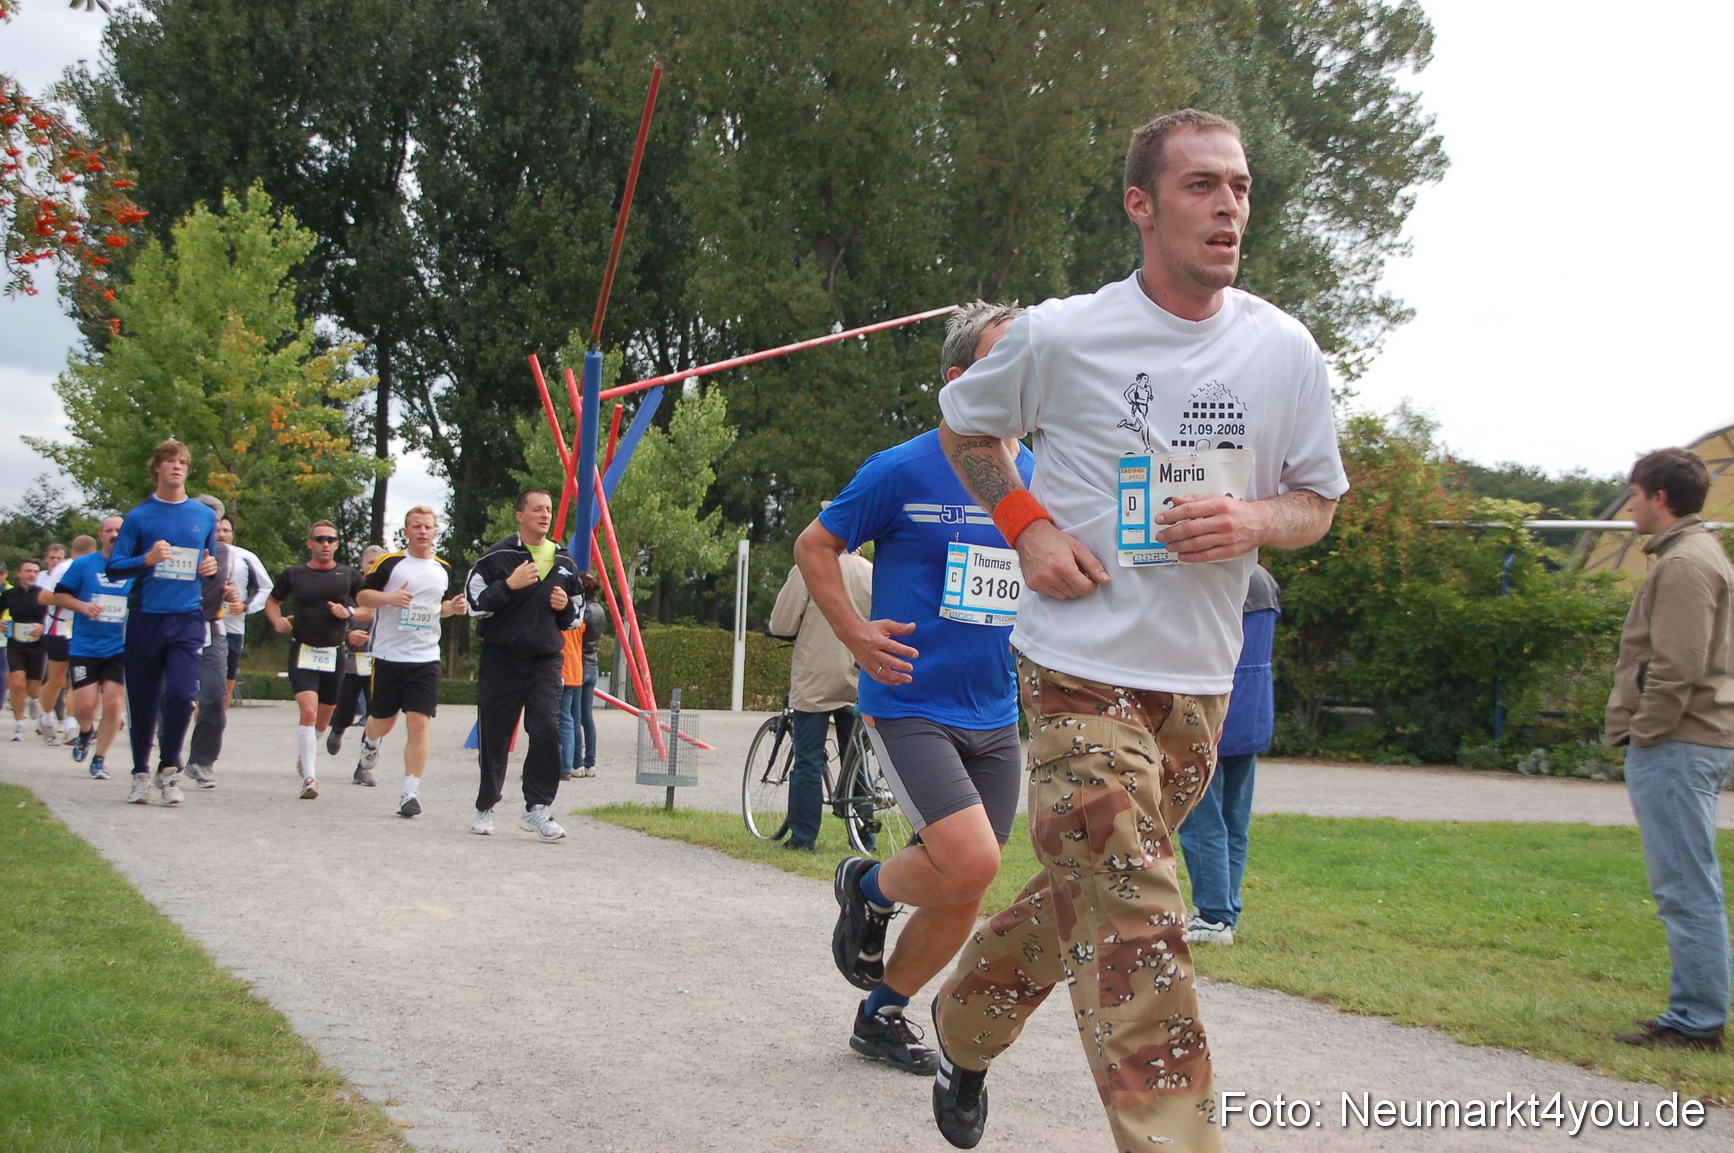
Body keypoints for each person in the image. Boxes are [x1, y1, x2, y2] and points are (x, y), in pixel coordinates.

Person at [930, 108, 1347, 1151]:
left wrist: (1253, 518)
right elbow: (966, 426)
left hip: (1197, 685)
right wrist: (1024, 528)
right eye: (1203, 185)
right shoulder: (1063, 332)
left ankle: (962, 1019)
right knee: (1140, 917)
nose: (1229, 206)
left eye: (1241, 187)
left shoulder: (1283, 350)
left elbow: (1317, 502)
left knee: (1093, 891)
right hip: (1076, 667)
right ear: (1141, 204)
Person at [805, 302, 1031, 1076]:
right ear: (960, 379)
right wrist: (856, 634)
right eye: (1006, 359)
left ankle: (882, 1012)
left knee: (965, 883)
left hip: (995, 709)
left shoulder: (1034, 474)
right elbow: (815, 545)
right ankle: (866, 884)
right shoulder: (901, 468)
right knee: (970, 861)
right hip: (909, 701)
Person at [1606, 448, 1732, 1053]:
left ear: (1659, 497)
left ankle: (1695, 1022)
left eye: (1635, 492)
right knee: (1688, 880)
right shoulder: (1693, 554)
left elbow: (1678, 664)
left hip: (1679, 742)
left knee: (1685, 885)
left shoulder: (1685, 563)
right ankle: (1696, 1012)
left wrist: (1646, 731)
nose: (1630, 503)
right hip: (1685, 740)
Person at [464, 489, 583, 840]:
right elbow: (474, 604)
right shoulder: (497, 557)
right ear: (520, 515)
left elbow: (576, 614)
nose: (544, 515)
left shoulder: (564, 561)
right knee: (496, 737)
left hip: (545, 662)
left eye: (548, 510)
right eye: (536, 510)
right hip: (501, 659)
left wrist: (564, 607)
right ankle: (486, 806)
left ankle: (537, 808)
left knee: (547, 729)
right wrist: (508, 585)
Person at [108, 439, 222, 805]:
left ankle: (169, 769)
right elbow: (114, 567)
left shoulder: (204, 516)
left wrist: (210, 567)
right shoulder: (139, 517)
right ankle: (140, 773)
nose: (177, 467)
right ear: (156, 467)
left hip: (187, 618)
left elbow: (207, 562)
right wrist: (147, 558)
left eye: (184, 462)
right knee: (143, 699)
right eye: (170, 461)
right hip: (146, 617)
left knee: (183, 696)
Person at [1177, 564, 1280, 946]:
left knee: (1202, 818)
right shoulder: (1264, 582)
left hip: (1215, 714)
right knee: (1234, 820)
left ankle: (1213, 914)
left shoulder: (1221, 576)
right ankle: (1226, 911)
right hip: (1253, 714)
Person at [353, 508, 467, 817]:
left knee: (419, 723)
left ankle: (410, 792)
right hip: (390, 655)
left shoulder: (443, 568)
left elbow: (436, 608)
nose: (422, 531)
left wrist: (452, 608)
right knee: (383, 722)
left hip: (426, 657)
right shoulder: (389, 564)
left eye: (428, 527)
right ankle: (371, 741)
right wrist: (389, 599)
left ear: (435, 532)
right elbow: (362, 597)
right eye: (416, 526)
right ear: (406, 532)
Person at [767, 554, 873, 851]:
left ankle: (803, 837)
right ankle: (864, 831)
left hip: (817, 675)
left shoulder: (810, 565)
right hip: (858, 672)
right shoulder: (870, 571)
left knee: (809, 758)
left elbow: (783, 623)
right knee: (855, 756)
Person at [265, 519, 365, 799]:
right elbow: (272, 602)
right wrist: (278, 622)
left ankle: (307, 752)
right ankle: (310, 778)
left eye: (330, 540)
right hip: (304, 650)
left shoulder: (349, 575)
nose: (325, 544)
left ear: (337, 545)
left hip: (334, 653)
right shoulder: (294, 574)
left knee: (322, 722)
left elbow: (368, 608)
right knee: (307, 712)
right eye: (319, 539)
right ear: (309, 543)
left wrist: (350, 613)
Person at [50, 515, 132, 777]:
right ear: (101, 535)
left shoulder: (135, 567)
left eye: (119, 530)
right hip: (85, 647)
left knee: (113, 704)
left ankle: (99, 759)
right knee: (85, 707)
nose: (115, 534)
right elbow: (60, 594)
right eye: (109, 530)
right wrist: (83, 606)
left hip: (119, 647)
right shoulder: (85, 565)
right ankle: (87, 731)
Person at [182, 494, 241, 789]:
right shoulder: (174, 547)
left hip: (211, 628)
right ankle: (166, 758)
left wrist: (231, 595)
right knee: (174, 697)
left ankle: (202, 761)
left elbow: (227, 587)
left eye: (216, 522)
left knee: (215, 696)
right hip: (175, 625)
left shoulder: (225, 552)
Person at [328, 543, 386, 760]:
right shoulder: (350, 591)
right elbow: (332, 620)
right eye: (371, 563)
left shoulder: (391, 594)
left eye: (379, 563)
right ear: (362, 566)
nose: (374, 567)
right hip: (352, 661)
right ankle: (338, 728)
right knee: (346, 708)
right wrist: (347, 636)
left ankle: (364, 764)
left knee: (376, 714)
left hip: (380, 662)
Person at [216, 515, 273, 706]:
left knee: (225, 689)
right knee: (200, 688)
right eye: (217, 530)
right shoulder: (200, 555)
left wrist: (246, 606)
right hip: (201, 626)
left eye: (226, 530)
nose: (221, 534)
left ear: (233, 534)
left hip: (233, 629)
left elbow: (266, 588)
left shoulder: (246, 557)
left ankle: (213, 733)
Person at [559, 571, 605, 780]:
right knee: (587, 717)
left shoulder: (580, 611)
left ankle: (575, 762)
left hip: (578, 663)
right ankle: (591, 762)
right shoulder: (600, 610)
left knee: (573, 716)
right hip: (592, 663)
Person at [34, 540, 76, 743]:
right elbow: (44, 598)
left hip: (82, 631)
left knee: (78, 680)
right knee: (57, 679)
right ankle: (47, 716)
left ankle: (71, 725)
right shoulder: (64, 569)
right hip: (58, 628)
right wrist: (74, 600)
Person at [4, 558, 49, 742]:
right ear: (19, 573)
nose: (32, 575)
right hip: (16, 644)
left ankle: (34, 700)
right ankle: (19, 724)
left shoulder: (44, 594)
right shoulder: (9, 595)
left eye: (35, 571)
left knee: (33, 688)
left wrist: (44, 626)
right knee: (16, 683)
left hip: (38, 646)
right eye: (28, 571)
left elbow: (55, 617)